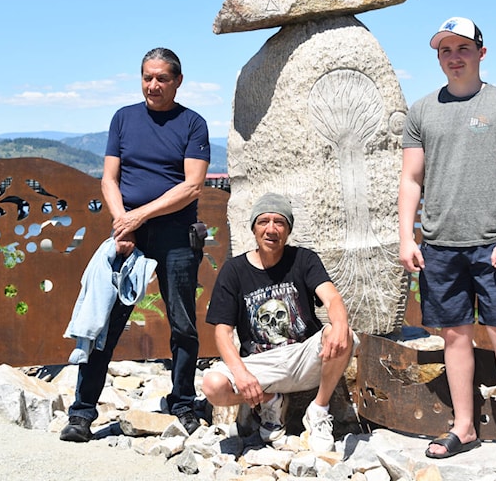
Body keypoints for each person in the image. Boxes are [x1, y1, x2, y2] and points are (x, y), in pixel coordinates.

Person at [397, 17, 496, 474]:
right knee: (454, 337)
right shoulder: (421, 111)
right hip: (440, 244)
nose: (454, 56)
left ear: (482, 52)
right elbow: (410, 179)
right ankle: (464, 426)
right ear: (438, 58)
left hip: (492, 244)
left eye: (463, 47)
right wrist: (408, 235)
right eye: (446, 50)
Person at [60, 47, 210, 442]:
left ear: (178, 81)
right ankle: (81, 414)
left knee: (183, 324)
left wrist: (138, 216)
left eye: (162, 78)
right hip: (128, 235)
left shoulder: (193, 124)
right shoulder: (124, 118)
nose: (153, 85)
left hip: (177, 236)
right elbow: (109, 178)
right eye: (147, 77)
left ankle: (182, 402)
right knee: (105, 320)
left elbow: (192, 185)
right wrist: (122, 222)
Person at [201, 193, 357, 452]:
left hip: (302, 355)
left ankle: (318, 410)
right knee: (212, 386)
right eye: (263, 221)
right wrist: (241, 373)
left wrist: (339, 325)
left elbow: (332, 298)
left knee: (342, 332)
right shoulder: (234, 271)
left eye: (279, 222)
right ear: (253, 228)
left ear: (288, 229)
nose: (271, 229)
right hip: (260, 364)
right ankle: (271, 401)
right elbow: (222, 332)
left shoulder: (303, 259)